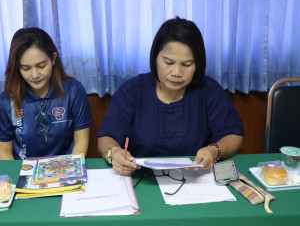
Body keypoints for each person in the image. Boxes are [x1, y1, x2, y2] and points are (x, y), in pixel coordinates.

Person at [98, 17, 244, 175]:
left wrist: (214, 151)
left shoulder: (209, 90)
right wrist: (115, 153)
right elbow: (106, 138)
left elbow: (234, 137)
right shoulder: (132, 90)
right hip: (141, 178)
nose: (177, 73)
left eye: (187, 65)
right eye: (168, 62)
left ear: (198, 64)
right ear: (155, 58)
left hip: (194, 179)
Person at [0, 27, 92, 160]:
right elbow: (4, 153)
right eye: (26, 68)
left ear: (53, 59)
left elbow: (81, 141)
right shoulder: (6, 101)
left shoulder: (74, 91)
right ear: (17, 68)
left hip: (65, 170)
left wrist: (68, 173)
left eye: (41, 66)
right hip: (24, 173)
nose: (35, 75)